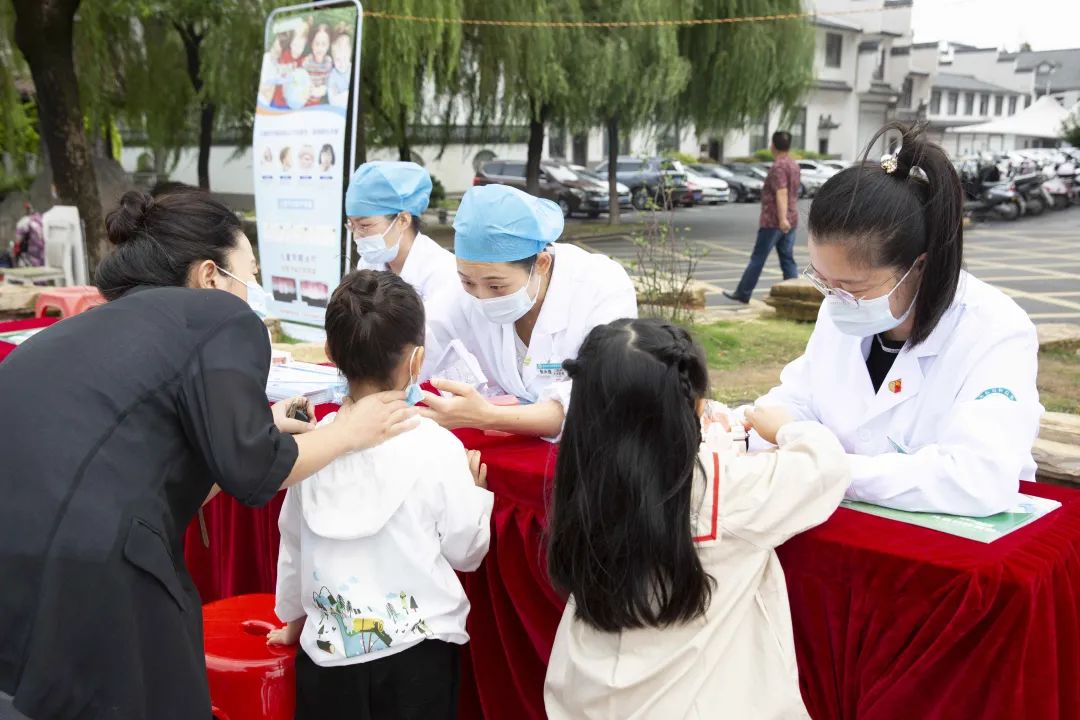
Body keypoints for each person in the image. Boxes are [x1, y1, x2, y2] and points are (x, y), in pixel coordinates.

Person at [0, 189, 417, 720]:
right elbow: (252, 470)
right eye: (250, 271)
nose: (255, 290)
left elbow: (150, 442)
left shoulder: (98, 326)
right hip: (87, 568)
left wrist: (262, 426)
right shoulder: (219, 316)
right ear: (210, 276)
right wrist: (350, 431)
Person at [543, 318, 849, 719]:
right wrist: (788, 429)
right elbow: (825, 468)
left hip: (586, 701)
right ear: (695, 405)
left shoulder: (582, 481)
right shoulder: (725, 489)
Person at [754, 122, 1043, 517]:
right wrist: (741, 426)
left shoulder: (995, 331)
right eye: (824, 282)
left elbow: (976, 480)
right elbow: (799, 400)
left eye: (854, 287)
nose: (836, 299)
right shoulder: (841, 309)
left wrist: (822, 463)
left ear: (919, 266)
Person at [267, 270, 492, 719]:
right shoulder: (437, 446)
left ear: (330, 354)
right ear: (417, 361)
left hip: (330, 655)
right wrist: (477, 494)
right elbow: (467, 552)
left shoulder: (313, 446)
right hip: (419, 657)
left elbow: (291, 542)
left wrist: (293, 620)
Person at [422, 184, 637, 440]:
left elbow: (599, 400)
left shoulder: (601, 286)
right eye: (468, 282)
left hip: (588, 452)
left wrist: (488, 416)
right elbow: (419, 349)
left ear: (542, 264)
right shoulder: (459, 293)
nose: (482, 297)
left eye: (497, 286)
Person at [345, 161, 458, 304]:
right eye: (351, 225)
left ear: (403, 220)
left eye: (364, 225)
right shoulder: (368, 265)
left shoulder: (442, 273)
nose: (356, 236)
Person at [724, 130, 801, 304]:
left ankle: (743, 292)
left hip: (774, 221)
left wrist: (782, 219)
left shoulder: (778, 167)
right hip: (791, 219)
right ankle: (796, 295)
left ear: (773, 146)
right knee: (787, 259)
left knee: (758, 258)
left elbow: (782, 192)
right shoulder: (794, 165)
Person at [302, 23, 333, 106]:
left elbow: (328, 83)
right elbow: (302, 79)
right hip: (305, 99)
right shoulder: (307, 62)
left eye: (323, 44)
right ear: (312, 45)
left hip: (319, 101)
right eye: (317, 44)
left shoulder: (328, 62)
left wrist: (321, 90)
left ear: (328, 46)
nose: (320, 48)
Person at [327, 27, 352, 108]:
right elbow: (332, 101)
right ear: (333, 59)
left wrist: (341, 95)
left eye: (344, 58)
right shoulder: (332, 76)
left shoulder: (353, 71)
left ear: (350, 55)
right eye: (337, 59)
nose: (342, 63)